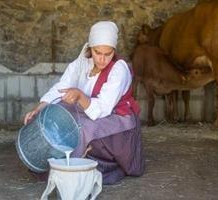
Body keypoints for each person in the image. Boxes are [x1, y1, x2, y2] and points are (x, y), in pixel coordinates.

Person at [24, 21, 145, 185]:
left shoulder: (119, 69)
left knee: (82, 129)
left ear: (114, 51)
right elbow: (62, 86)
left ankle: (74, 170)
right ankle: (55, 163)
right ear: (90, 48)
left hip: (118, 118)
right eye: (97, 52)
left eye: (108, 54)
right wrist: (40, 108)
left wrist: (80, 96)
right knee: (56, 113)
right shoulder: (83, 61)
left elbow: (102, 108)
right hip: (88, 110)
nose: (102, 59)